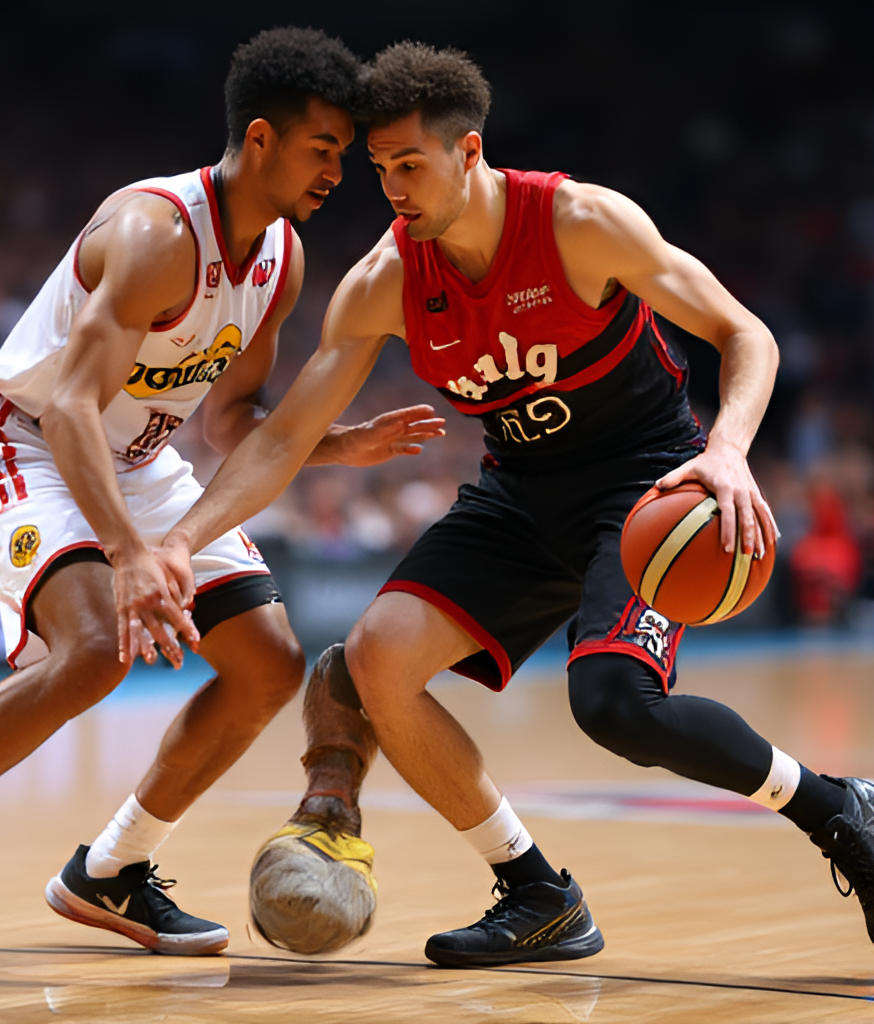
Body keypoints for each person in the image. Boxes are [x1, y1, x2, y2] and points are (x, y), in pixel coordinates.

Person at [151, 42, 874, 968]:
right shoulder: (385, 282)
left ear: (469, 152)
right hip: (521, 494)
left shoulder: (580, 222)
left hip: (644, 483)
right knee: (375, 660)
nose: (393, 190)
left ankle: (836, 807)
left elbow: (745, 333)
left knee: (615, 704)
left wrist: (727, 452)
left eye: (410, 164)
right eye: (379, 170)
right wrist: (180, 541)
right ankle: (538, 893)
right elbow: (284, 439)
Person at [0, 28, 445, 983]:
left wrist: (333, 446)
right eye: (324, 149)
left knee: (267, 665)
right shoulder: (155, 232)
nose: (341, 171)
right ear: (260, 139)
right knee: (92, 651)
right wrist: (131, 554)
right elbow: (77, 404)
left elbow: (231, 420)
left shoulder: (280, 258)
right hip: (29, 437)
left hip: (137, 456)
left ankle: (110, 869)